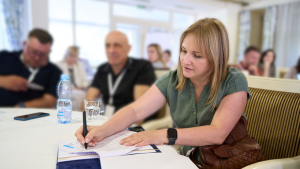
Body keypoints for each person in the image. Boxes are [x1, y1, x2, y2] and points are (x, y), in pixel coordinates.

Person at [75, 18, 251, 164]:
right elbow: (136, 110)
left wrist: (163, 135)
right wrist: (102, 130)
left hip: (227, 160)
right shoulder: (173, 79)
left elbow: (217, 133)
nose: (185, 61)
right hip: (190, 160)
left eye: (197, 56)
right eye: (183, 51)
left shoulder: (233, 80)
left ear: (216, 58)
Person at [82, 31, 156, 125]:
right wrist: (95, 122)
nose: (111, 50)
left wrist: (110, 128)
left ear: (128, 48)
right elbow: (88, 101)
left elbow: (140, 110)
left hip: (130, 125)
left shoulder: (142, 67)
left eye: (117, 45)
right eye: (108, 45)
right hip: (106, 122)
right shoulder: (102, 69)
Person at [0, 28, 61, 107]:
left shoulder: (54, 71)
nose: (37, 58)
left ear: (49, 52)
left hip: (28, 114)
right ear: (24, 45)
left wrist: (21, 106)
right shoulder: (5, 57)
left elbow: (49, 101)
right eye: (33, 52)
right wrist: (3, 81)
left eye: (43, 54)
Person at [56, 46, 88, 111]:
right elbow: (58, 82)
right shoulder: (59, 65)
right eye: (71, 56)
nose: (73, 58)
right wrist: (71, 88)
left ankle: (75, 114)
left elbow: (85, 80)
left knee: (81, 95)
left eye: (75, 56)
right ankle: (81, 113)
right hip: (65, 90)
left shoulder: (79, 65)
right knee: (81, 94)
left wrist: (83, 86)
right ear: (66, 55)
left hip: (78, 89)